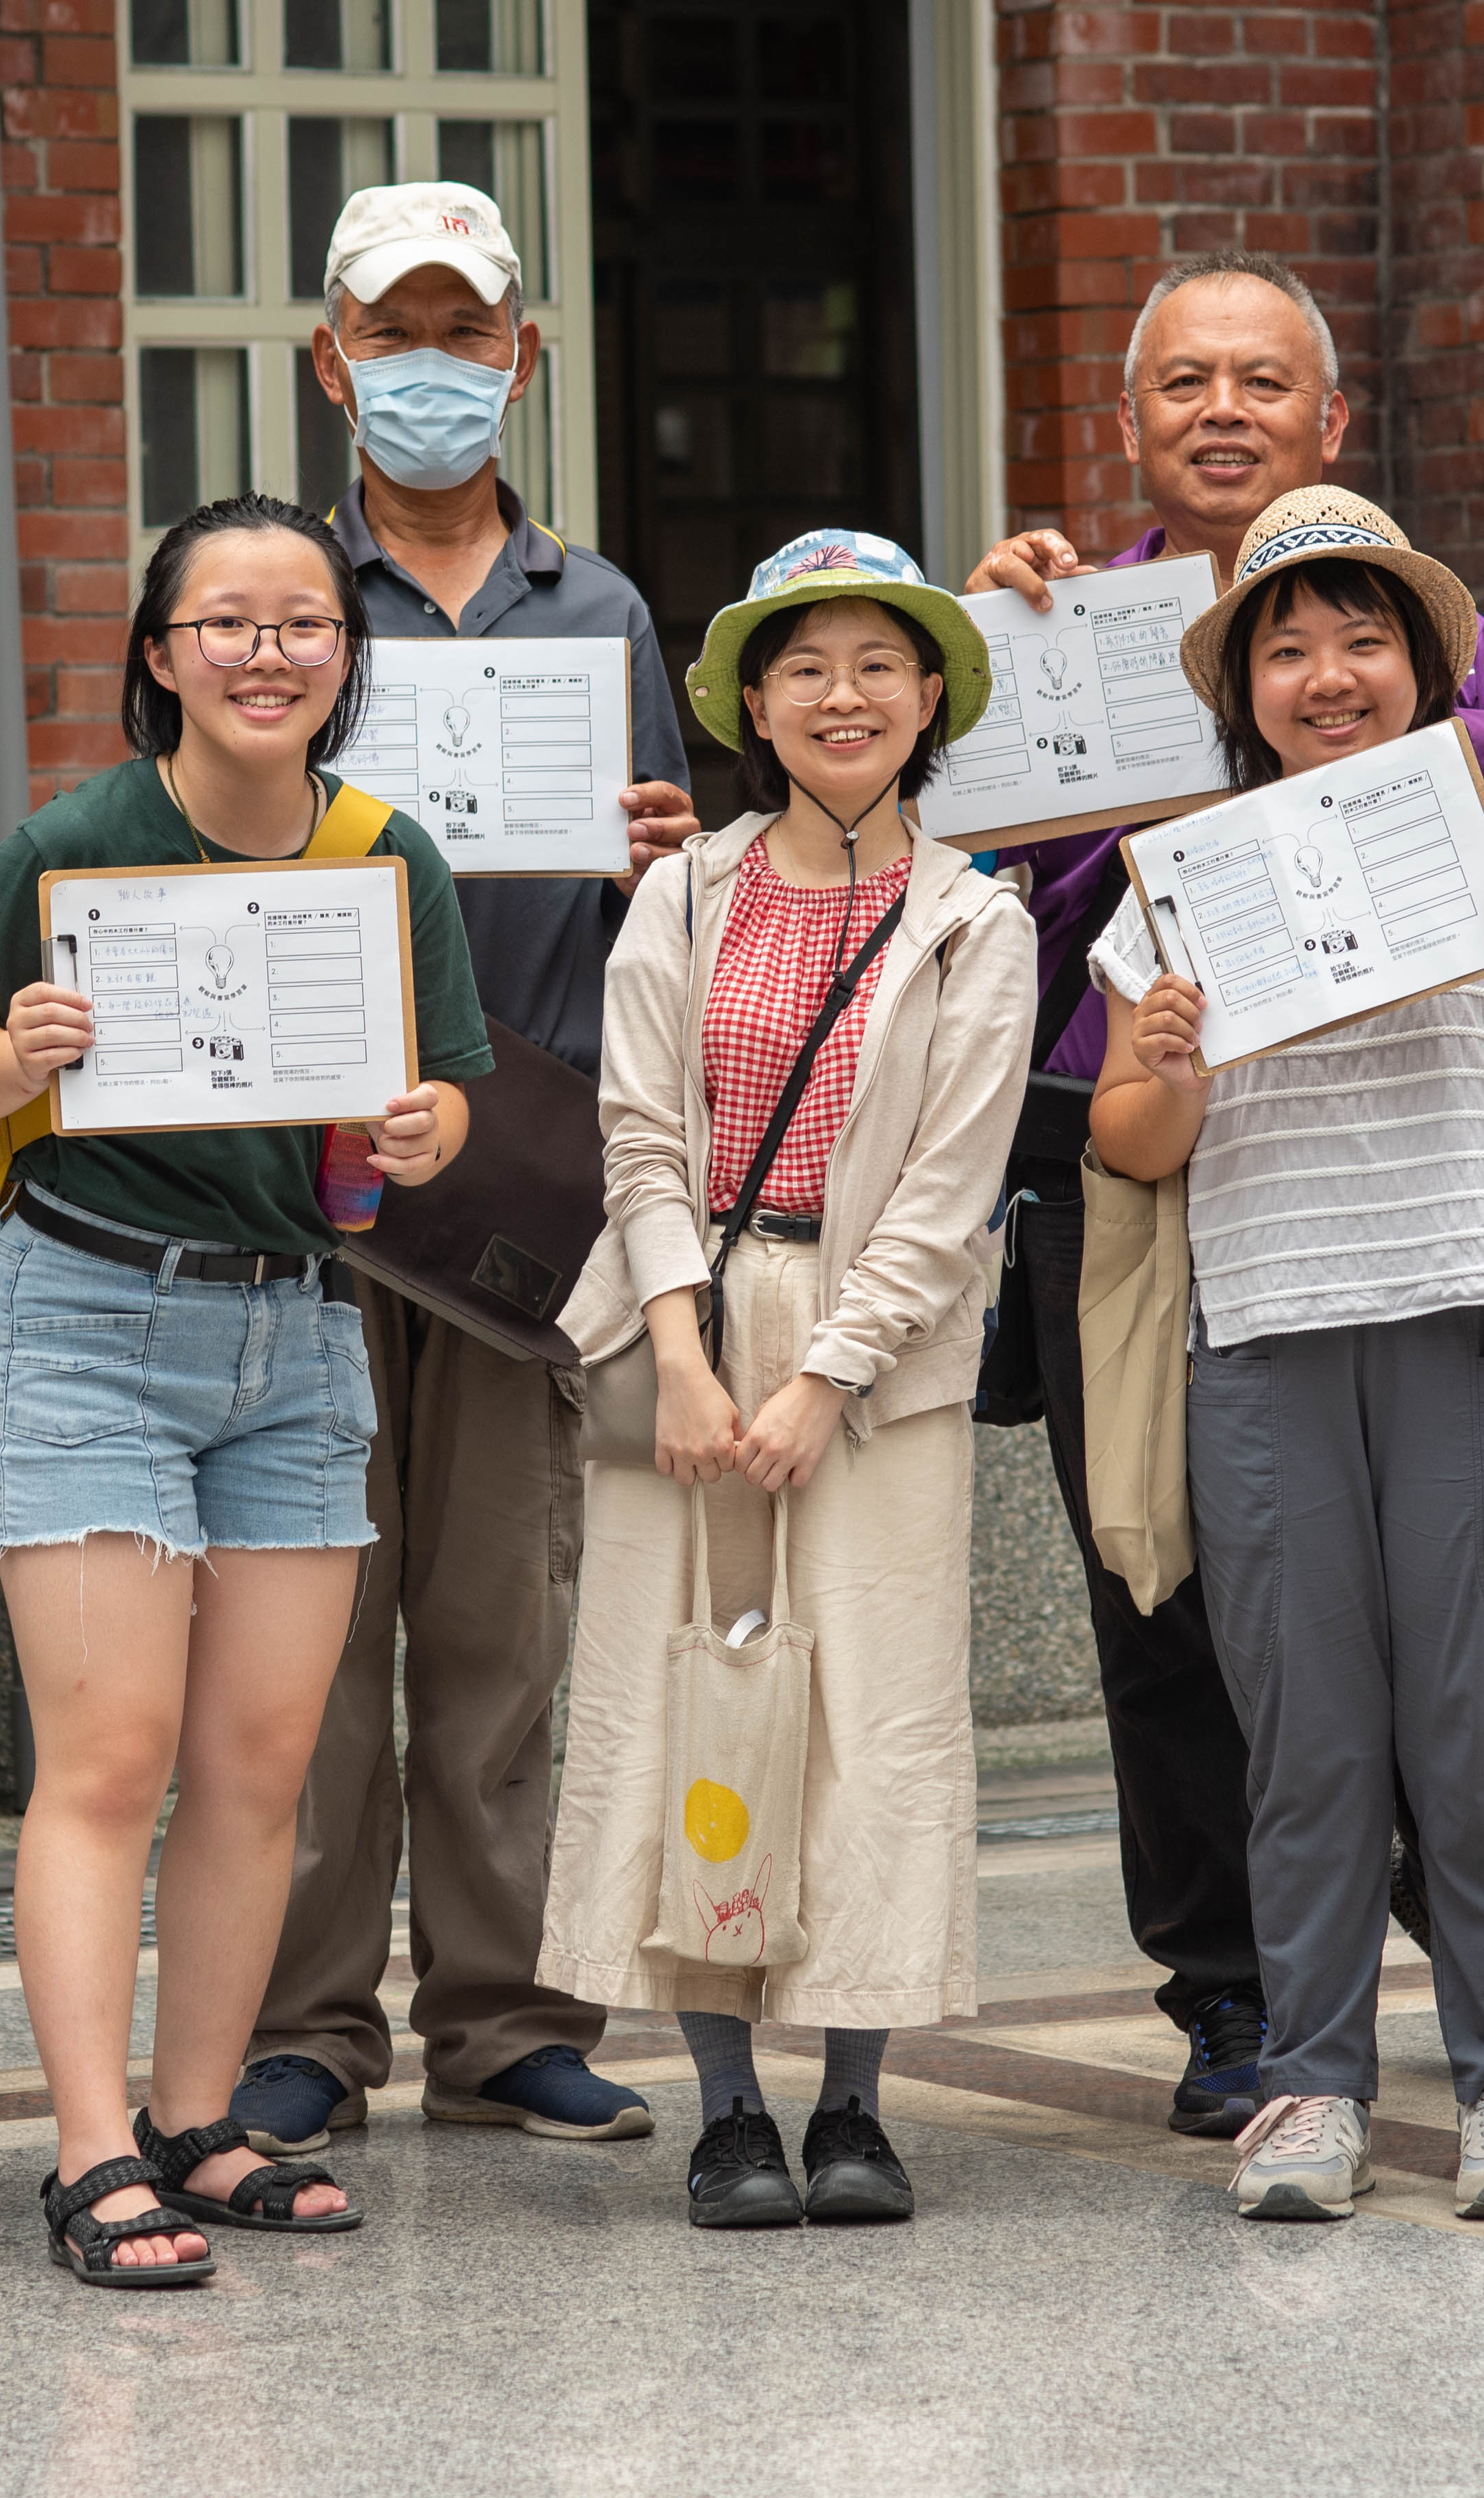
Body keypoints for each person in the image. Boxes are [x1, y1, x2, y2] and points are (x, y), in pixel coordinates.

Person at [955, 249, 1484, 2138]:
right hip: (1125, 1137)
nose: (1221, 409)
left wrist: (1251, 800)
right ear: (1127, 424)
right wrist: (986, 683)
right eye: (1181, 384)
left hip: (1381, 1174)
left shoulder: (1414, 628)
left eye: (1261, 379)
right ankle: (1227, 1994)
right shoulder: (1070, 627)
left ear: (1331, 418)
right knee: (1160, 1587)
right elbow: (981, 900)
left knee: (1423, 1632)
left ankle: (1479, 1982)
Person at [0, 491, 494, 2286]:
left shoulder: (390, 855)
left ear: (346, 658)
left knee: (263, 1764)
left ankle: (203, 2121)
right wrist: (11, 1055)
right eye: (227, 622)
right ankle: (94, 2152)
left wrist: (418, 1130)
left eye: (303, 624)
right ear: (161, 654)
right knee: (112, 1756)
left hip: (299, 1331)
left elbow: (449, 1089)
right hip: (89, 1319)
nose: (267, 652)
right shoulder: (81, 841)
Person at [1085, 488, 1484, 2224]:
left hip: (1478, 1315)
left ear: (1420, 662)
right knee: (1307, 1736)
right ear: (1244, 682)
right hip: (1264, 1332)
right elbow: (1132, 1139)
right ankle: (1312, 2084)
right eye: (1288, 644)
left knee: (1475, 1722)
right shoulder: (1182, 883)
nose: (1326, 674)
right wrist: (1164, 1056)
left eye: (1360, 640)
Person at [224, 182, 701, 2162]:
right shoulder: (257, 592)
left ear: (526, 355)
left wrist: (671, 856)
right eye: (391, 332)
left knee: (508, 1622)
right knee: (305, 1640)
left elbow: (662, 919)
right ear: (328, 359)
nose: (431, 367)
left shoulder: (599, 614)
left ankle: (509, 2018)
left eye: (466, 330)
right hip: (306, 1190)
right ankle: (303, 2027)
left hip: (524, 1187)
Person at [538, 531, 1036, 2231]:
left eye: (879, 665)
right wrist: (681, 1354)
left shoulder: (977, 917)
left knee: (873, 1723)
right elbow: (636, 1127)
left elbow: (952, 1186)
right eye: (805, 665)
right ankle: (727, 2107)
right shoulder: (682, 891)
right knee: (687, 1704)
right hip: (680, 1335)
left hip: (881, 1365)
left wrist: (823, 1376)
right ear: (753, 700)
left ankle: (853, 2105)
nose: (843, 694)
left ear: (929, 701)